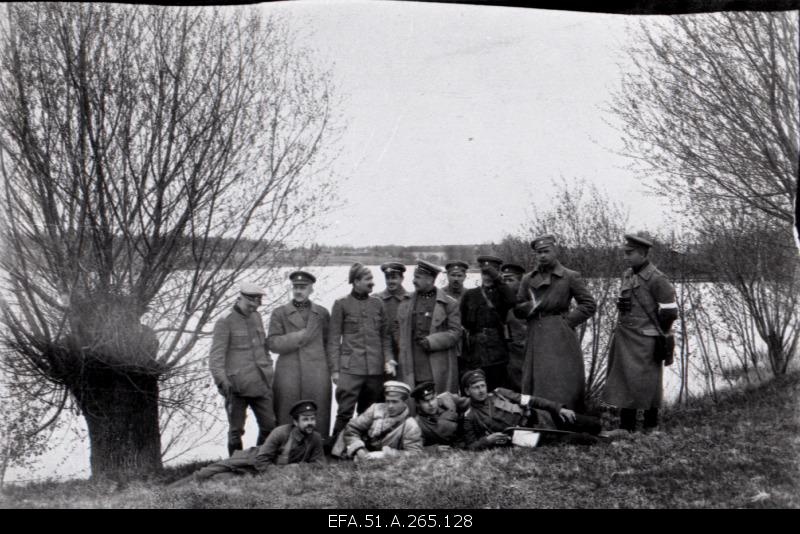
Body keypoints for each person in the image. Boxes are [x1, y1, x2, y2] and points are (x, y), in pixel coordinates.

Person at [603, 233, 678, 432]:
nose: (625, 256)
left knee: (648, 383)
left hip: (646, 339)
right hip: (626, 337)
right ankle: (626, 427)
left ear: (643, 254)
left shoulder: (657, 279)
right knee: (625, 382)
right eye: (625, 253)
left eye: (630, 253)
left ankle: (650, 425)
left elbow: (670, 312)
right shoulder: (628, 274)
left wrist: (657, 332)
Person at [514, 235, 596, 411]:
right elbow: (518, 308)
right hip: (536, 332)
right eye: (539, 253)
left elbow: (589, 304)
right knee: (537, 377)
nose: (542, 256)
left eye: (546, 251)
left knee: (561, 378)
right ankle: (538, 417)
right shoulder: (528, 279)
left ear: (555, 251)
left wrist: (567, 322)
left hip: (561, 335)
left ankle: (566, 416)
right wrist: (531, 306)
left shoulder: (570, 276)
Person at [169, 400, 324, 486]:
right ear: (296, 422)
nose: (310, 423)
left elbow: (319, 464)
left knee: (220, 480)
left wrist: (297, 467)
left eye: (312, 419)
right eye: (305, 419)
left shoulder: (315, 438)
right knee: (207, 472)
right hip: (251, 459)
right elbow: (261, 461)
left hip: (262, 474)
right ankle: (169, 490)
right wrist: (283, 472)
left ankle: (201, 486)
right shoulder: (281, 433)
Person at [328, 263, 394, 443]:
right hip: (350, 370)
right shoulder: (341, 304)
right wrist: (335, 370)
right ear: (356, 281)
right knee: (344, 412)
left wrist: (388, 359)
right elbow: (334, 340)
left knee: (368, 412)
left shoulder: (378, 304)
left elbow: (385, 337)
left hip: (374, 370)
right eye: (368, 279)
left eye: (372, 279)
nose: (372, 283)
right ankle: (337, 447)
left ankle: (363, 445)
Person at [209, 282, 276, 457]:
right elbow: (216, 358)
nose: (254, 307)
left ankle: (257, 458)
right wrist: (223, 384)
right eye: (250, 303)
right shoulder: (225, 321)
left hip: (260, 383)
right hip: (236, 386)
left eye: (257, 303)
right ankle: (235, 463)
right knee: (235, 431)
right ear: (241, 299)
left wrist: (269, 368)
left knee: (269, 425)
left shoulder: (256, 317)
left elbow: (263, 348)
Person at [460, 370, 601, 451]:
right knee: (580, 440)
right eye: (475, 387)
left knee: (593, 424)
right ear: (467, 391)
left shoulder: (500, 393)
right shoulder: (470, 417)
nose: (481, 391)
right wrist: (488, 440)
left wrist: (559, 409)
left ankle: (608, 433)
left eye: (482, 386)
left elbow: (532, 400)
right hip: (525, 437)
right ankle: (602, 439)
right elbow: (470, 447)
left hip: (541, 418)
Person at [267, 271, 333, 439]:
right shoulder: (279, 313)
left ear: (311, 289)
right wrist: (300, 336)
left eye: (303, 288)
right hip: (289, 374)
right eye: (295, 287)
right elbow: (272, 343)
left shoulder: (322, 314)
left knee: (318, 412)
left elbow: (329, 345)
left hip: (317, 374)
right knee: (286, 413)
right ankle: (285, 449)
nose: (298, 291)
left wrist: (333, 371)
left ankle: (319, 449)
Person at [394, 260, 461, 393]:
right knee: (413, 400)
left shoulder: (449, 304)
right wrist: (402, 344)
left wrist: (432, 341)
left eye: (417, 277)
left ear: (430, 279)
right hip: (411, 363)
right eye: (414, 277)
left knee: (438, 402)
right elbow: (397, 326)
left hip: (436, 363)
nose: (413, 281)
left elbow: (455, 332)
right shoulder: (406, 301)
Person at [460, 255, 518, 391]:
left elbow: (512, 302)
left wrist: (498, 280)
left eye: (490, 273)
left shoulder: (502, 293)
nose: (486, 277)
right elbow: (463, 320)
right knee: (477, 385)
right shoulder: (470, 294)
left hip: (497, 350)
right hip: (476, 351)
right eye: (484, 273)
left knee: (498, 386)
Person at [338, 381, 423, 460]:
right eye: (388, 401)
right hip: (362, 452)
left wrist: (384, 454)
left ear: (405, 401)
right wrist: (358, 448)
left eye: (395, 402)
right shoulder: (376, 409)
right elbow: (352, 428)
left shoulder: (410, 425)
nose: (390, 406)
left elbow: (415, 454)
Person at [411, 381, 470, 448]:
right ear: (417, 404)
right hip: (453, 447)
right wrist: (433, 449)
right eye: (425, 401)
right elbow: (416, 448)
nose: (431, 404)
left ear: (436, 395)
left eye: (432, 399)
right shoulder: (417, 424)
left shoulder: (447, 398)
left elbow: (469, 402)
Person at [375, 262, 411, 359]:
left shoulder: (411, 299)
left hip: (405, 351)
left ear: (402, 278)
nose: (390, 281)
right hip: (381, 352)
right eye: (387, 278)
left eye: (394, 278)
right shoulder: (376, 299)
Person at [500, 263, 527, 391]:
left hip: (522, 353)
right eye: (504, 280)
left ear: (521, 282)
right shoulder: (499, 300)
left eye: (510, 280)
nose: (506, 283)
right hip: (504, 353)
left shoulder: (527, 303)